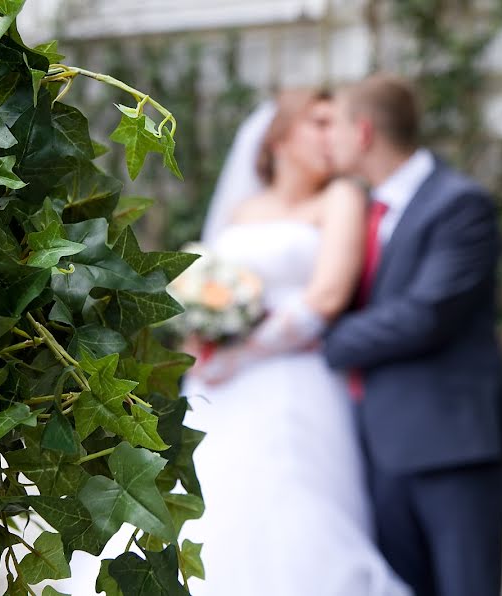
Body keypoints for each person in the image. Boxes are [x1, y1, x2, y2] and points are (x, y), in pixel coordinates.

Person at [181, 89, 410, 596]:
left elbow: (326, 297)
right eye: (319, 123)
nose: (336, 136)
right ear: (280, 136)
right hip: (220, 387)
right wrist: (202, 336)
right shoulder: (242, 210)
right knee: (213, 499)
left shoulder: (341, 197)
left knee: (295, 501)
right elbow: (207, 285)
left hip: (295, 379)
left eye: (337, 124)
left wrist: (241, 352)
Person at [323, 73, 502, 596]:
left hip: (450, 449)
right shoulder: (360, 210)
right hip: (377, 450)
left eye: (334, 125)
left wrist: (322, 339)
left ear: (362, 133)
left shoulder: (459, 204)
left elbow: (425, 316)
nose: (327, 140)